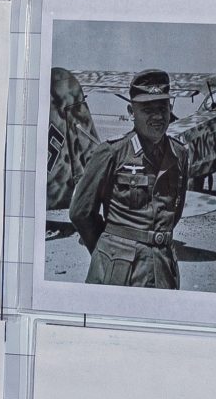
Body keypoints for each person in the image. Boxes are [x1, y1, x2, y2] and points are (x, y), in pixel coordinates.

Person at [69, 68, 188, 288]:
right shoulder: (111, 152)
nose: (158, 116)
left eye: (162, 108)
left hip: (164, 270)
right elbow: (80, 212)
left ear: (170, 109)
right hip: (119, 273)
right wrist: (108, 252)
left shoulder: (179, 154)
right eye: (148, 109)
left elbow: (174, 213)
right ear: (131, 111)